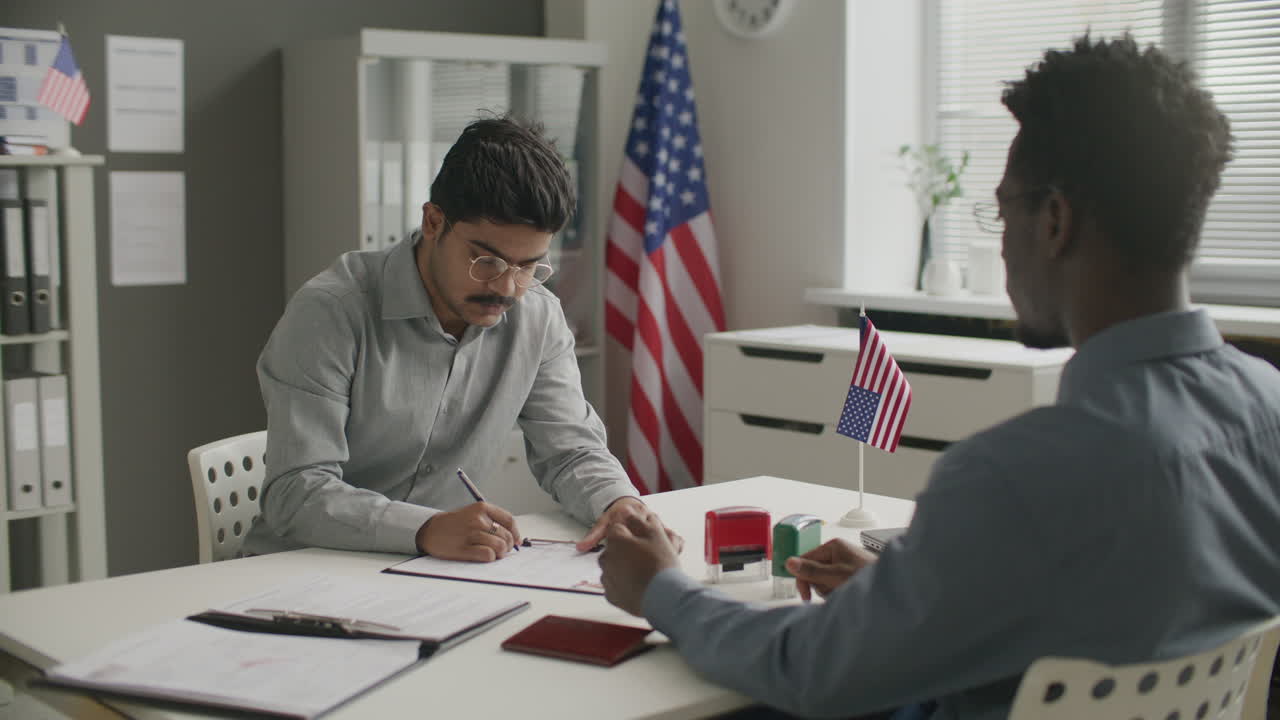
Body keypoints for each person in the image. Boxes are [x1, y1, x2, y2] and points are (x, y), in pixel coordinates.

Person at [598, 34, 1280, 719]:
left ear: (1054, 221)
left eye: (1001, 211)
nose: (1002, 242)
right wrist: (920, 596)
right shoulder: (1268, 409)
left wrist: (661, 588)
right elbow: (1135, 606)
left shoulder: (1015, 475)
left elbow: (809, 669)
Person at [246, 115, 679, 562]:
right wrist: (425, 528)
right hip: (300, 572)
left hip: (434, 570)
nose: (507, 288)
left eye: (528, 266)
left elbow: (570, 452)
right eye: (486, 260)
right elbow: (295, 492)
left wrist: (618, 503)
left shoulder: (539, 318)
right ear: (434, 222)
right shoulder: (332, 312)